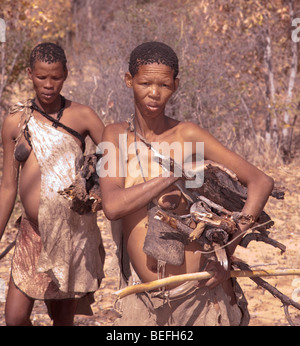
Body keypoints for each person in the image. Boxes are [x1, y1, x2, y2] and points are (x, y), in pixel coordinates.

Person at [99, 41, 274, 326]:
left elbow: (261, 182)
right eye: (145, 83)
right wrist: (173, 174)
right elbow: (113, 205)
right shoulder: (114, 136)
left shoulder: (188, 135)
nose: (154, 93)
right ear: (129, 80)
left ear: (176, 85)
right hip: (145, 301)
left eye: (165, 85)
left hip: (200, 295)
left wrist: (227, 253)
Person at [0, 42, 105, 326]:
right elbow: (8, 187)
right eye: (42, 77)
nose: (49, 84)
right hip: (31, 234)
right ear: (30, 74)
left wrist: (94, 183)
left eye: (56, 77)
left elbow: (114, 157)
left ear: (66, 74)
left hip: (71, 235)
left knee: (62, 318)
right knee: (15, 318)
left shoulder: (82, 116)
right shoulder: (15, 121)